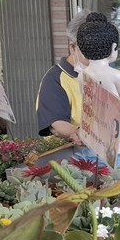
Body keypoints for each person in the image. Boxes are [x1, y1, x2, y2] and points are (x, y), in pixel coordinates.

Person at [36, 10, 90, 141]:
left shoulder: (99, 75)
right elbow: (57, 124)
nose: (97, 59)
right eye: (90, 52)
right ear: (73, 47)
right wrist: (84, 135)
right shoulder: (54, 79)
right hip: (70, 151)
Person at [76, 12, 120, 103]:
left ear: (82, 50)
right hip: (113, 112)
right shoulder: (116, 75)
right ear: (113, 47)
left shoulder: (81, 75)